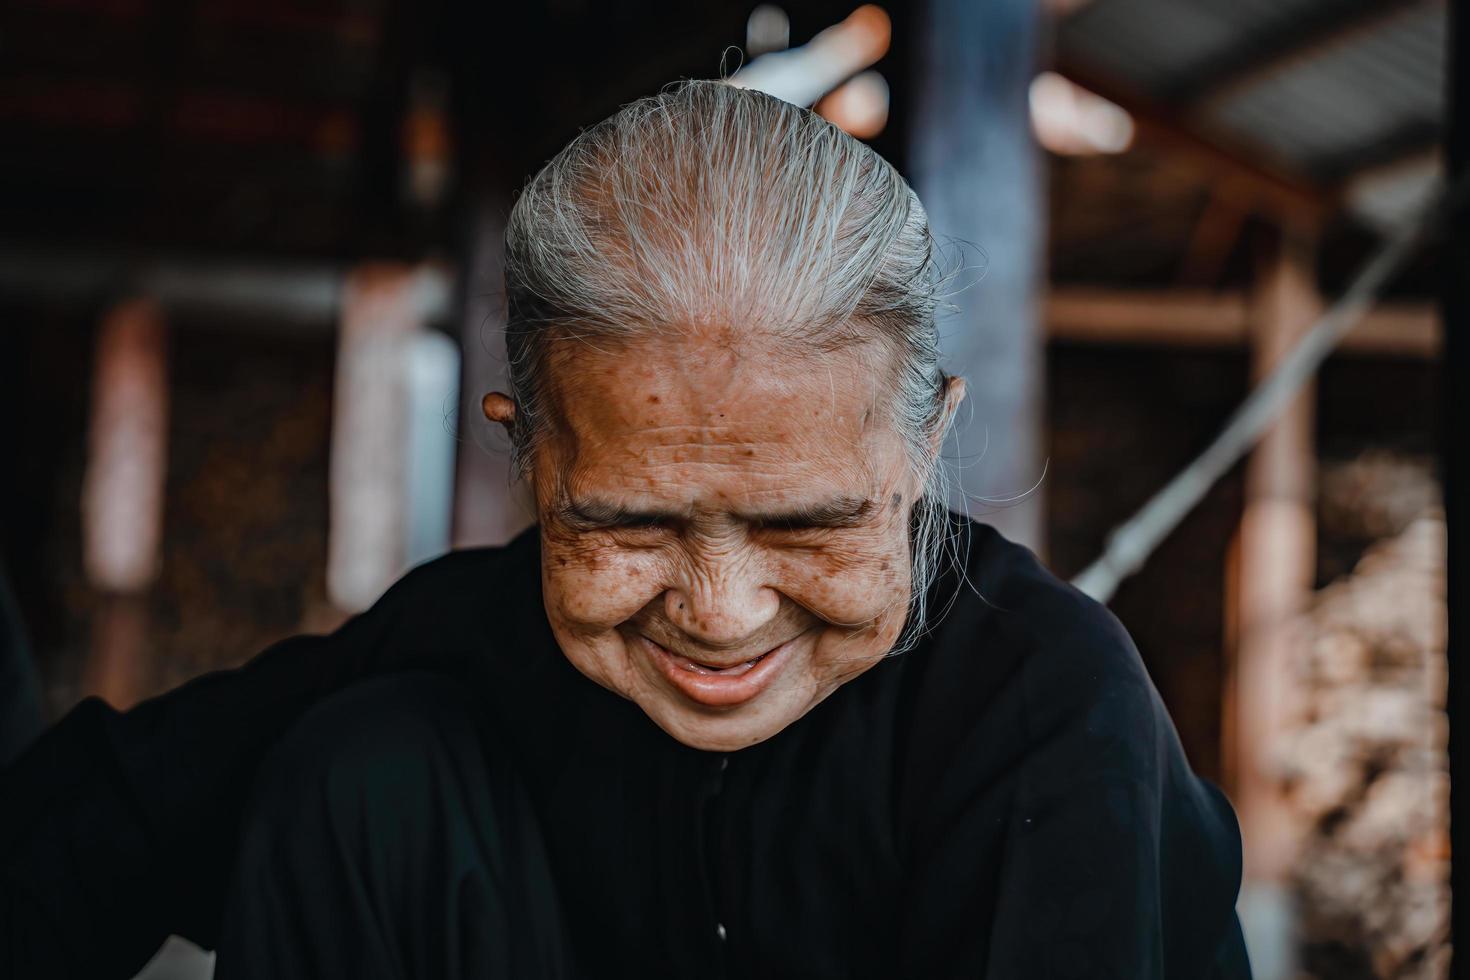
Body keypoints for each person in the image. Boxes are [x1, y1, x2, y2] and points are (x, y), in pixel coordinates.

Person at [1, 80, 1251, 979]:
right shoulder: (469, 643)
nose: (720, 612)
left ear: (924, 444)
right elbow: (96, 831)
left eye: (807, 525)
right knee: (365, 766)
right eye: (629, 524)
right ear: (533, 452)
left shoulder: (1041, 712)